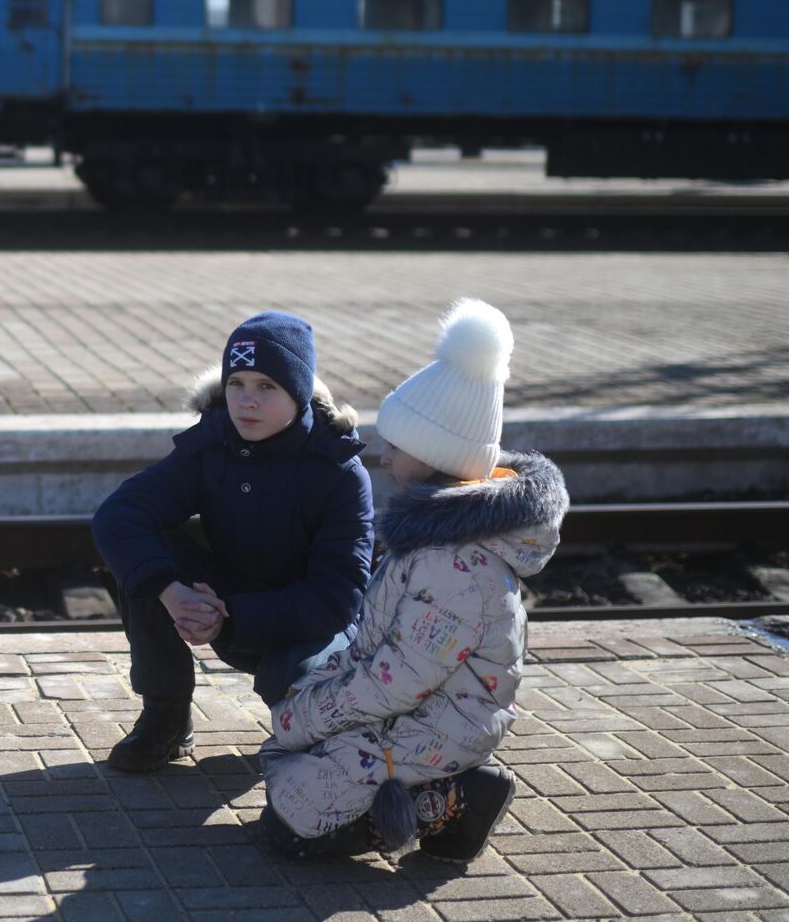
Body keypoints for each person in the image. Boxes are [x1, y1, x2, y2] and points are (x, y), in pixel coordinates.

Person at [258, 298, 567, 864]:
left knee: (288, 824)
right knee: (291, 760)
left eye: (395, 447)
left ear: (432, 454)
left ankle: (454, 801)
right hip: (421, 711)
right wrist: (316, 691)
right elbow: (383, 651)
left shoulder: (456, 565)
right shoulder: (437, 541)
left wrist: (310, 714)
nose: (383, 459)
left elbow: (399, 680)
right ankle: (428, 796)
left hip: (443, 725)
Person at [92, 311, 376, 773]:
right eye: (236, 384)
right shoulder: (213, 444)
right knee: (143, 551)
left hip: (306, 628)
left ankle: (317, 745)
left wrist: (230, 616)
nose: (247, 402)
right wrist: (174, 593)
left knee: (300, 686)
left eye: (267, 387)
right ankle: (165, 716)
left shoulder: (339, 470)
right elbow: (117, 516)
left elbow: (339, 596)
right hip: (219, 604)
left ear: (299, 393)